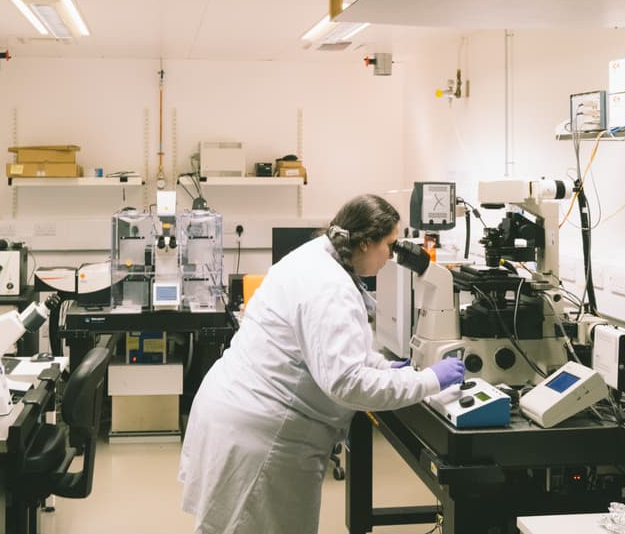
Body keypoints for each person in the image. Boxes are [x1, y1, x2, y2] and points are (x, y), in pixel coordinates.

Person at [179, 194, 466, 534]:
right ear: (364, 243)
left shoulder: (317, 255)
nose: (392, 256)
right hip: (264, 435)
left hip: (236, 410)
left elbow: (326, 346)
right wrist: (429, 380)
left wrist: (383, 368)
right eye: (389, 246)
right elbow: (346, 383)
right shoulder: (330, 286)